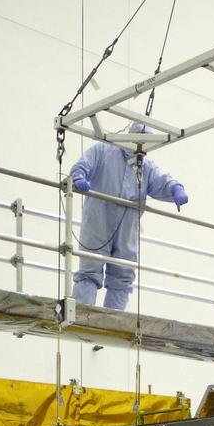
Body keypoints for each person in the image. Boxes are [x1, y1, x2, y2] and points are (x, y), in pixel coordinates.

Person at [70, 124, 188, 311]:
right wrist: (78, 177)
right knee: (90, 267)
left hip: (127, 228)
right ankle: (82, 313)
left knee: (123, 273)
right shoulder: (103, 150)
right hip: (99, 220)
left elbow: (161, 180)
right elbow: (83, 165)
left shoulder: (145, 166)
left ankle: (112, 321)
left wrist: (175, 188)